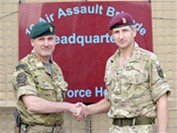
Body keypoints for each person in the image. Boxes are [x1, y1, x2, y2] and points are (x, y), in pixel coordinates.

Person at [77, 13, 171, 133]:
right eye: (116, 32)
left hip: (142, 129)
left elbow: (161, 99)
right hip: (116, 129)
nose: (121, 36)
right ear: (112, 35)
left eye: (125, 31)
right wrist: (86, 109)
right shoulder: (111, 63)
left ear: (134, 32)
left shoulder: (148, 59)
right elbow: (110, 101)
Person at [12, 22, 84, 133]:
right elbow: (32, 104)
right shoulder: (24, 68)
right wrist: (68, 107)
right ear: (32, 42)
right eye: (41, 39)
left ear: (55, 41)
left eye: (50, 39)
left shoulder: (55, 68)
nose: (46, 44)